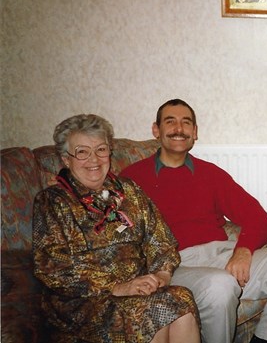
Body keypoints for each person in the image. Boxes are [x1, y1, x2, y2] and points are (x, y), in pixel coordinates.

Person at [120, 99, 267, 343]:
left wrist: (243, 250)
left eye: (186, 123)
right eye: (170, 122)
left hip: (221, 254)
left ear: (194, 132)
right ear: (156, 130)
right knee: (220, 285)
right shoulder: (131, 178)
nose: (178, 129)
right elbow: (120, 234)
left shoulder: (210, 173)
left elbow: (259, 218)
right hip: (175, 265)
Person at [32, 114, 200, 343]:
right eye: (82, 151)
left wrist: (162, 273)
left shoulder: (128, 190)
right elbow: (52, 267)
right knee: (151, 311)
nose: (94, 159)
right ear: (66, 159)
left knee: (182, 299)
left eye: (101, 149)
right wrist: (116, 287)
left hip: (137, 290)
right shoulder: (53, 201)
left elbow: (160, 238)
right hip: (82, 303)